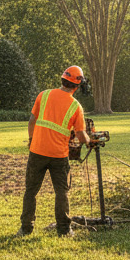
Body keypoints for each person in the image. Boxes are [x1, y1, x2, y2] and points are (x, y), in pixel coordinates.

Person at [18, 65, 91, 236]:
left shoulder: (43, 95)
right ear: (77, 85)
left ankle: (26, 229)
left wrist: (31, 141)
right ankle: (64, 230)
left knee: (31, 191)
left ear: (63, 79)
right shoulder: (76, 106)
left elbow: (32, 121)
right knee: (61, 192)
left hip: (37, 151)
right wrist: (90, 140)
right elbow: (80, 135)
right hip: (59, 155)